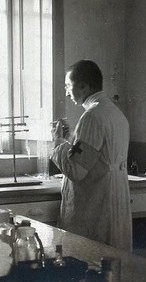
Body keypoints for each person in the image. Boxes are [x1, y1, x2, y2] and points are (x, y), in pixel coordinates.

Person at [50, 59, 132, 251]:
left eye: (68, 86)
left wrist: (58, 143)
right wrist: (71, 140)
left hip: (98, 199)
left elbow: (77, 170)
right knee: (114, 259)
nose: (67, 92)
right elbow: (94, 154)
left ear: (84, 86)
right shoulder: (114, 112)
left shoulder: (92, 116)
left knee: (91, 258)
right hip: (114, 193)